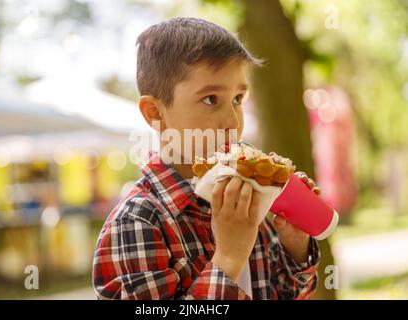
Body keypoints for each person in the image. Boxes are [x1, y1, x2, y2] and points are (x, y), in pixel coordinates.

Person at [93, 17, 321, 300]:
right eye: (211, 99)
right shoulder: (139, 222)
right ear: (155, 112)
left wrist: (295, 246)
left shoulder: (249, 198)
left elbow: (289, 294)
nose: (232, 121)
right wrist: (228, 258)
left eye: (238, 99)